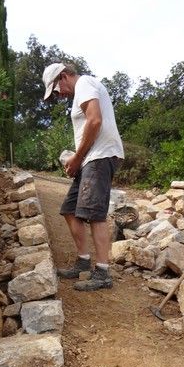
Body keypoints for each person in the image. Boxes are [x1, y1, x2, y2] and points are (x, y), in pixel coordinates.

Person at [42, 62, 124, 291]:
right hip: (90, 159)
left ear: (64, 76)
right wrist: (78, 160)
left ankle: (103, 273)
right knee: (69, 210)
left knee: (96, 215)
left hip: (100, 157)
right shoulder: (80, 92)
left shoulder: (85, 83)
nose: (59, 96)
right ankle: (83, 262)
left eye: (57, 90)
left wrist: (76, 159)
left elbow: (95, 120)